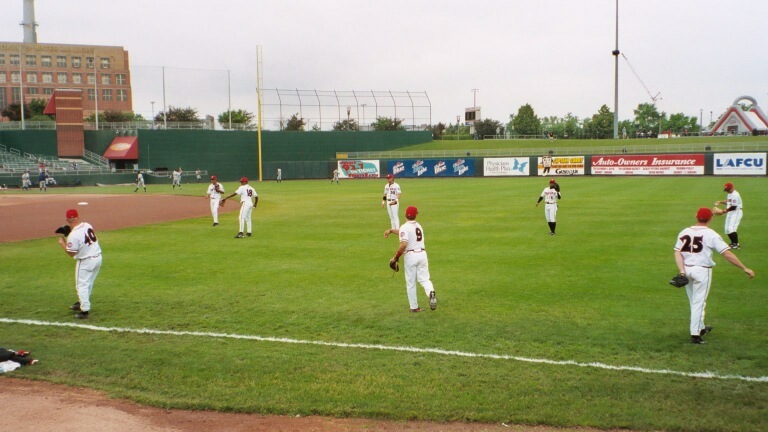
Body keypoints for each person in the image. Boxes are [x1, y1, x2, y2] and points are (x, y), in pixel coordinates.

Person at [673, 207, 754, 344]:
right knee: (699, 302)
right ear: (711, 218)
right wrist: (744, 268)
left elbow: (677, 252)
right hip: (702, 271)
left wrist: (682, 271)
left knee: (694, 301)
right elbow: (727, 254)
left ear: (696, 216)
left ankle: (700, 327)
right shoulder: (711, 234)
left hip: (687, 271)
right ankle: (695, 335)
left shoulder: (685, 231)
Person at [384, 206, 437, 312]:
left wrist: (396, 257)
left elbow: (404, 243)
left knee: (411, 282)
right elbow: (404, 232)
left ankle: (414, 307)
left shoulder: (405, 227)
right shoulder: (418, 226)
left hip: (411, 256)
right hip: (422, 255)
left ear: (405, 215)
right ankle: (431, 292)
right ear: (415, 215)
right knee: (424, 279)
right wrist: (391, 230)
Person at [57, 209, 102, 319]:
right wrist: (70, 234)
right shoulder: (87, 225)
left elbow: (72, 253)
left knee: (81, 285)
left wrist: (63, 244)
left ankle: (84, 311)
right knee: (88, 283)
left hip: (86, 262)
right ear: (78, 217)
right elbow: (81, 238)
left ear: (67, 219)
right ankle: (82, 302)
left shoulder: (73, 235)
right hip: (98, 258)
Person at [714, 182, 743, 249]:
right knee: (727, 229)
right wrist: (720, 202)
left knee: (731, 228)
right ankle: (733, 243)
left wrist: (723, 211)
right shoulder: (730, 194)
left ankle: (736, 244)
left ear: (732, 188)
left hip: (736, 212)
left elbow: (734, 207)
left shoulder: (735, 195)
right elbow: (728, 202)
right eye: (726, 190)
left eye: (728, 190)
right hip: (730, 212)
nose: (727, 191)